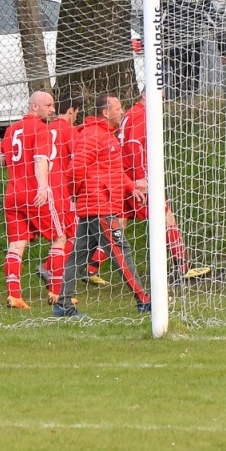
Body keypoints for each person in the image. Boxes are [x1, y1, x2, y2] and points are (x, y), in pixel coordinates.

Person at [56, 93, 150, 318]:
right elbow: (75, 170)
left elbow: (114, 169)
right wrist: (80, 194)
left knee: (77, 257)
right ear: (105, 112)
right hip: (99, 206)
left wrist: (130, 188)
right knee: (121, 251)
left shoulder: (108, 135)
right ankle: (144, 300)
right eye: (118, 108)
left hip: (98, 205)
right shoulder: (93, 135)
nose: (122, 111)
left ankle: (63, 305)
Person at [119, 94, 210, 282]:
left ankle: (88, 268)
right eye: (160, 94)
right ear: (147, 93)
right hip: (138, 179)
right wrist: (141, 177)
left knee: (119, 222)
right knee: (167, 217)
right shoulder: (141, 114)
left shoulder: (130, 113)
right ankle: (182, 266)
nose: (163, 99)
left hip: (125, 177)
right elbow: (134, 146)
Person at [0, 90, 64, 311]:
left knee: (16, 246)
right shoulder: (41, 129)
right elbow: (40, 160)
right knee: (60, 237)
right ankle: (57, 292)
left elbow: (0, 159)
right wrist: (44, 186)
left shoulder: (11, 129)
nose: (53, 110)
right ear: (34, 106)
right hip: (34, 193)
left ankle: (14, 295)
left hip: (12, 194)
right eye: (48, 105)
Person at [37, 89, 82, 305]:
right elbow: (78, 162)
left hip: (43, 188)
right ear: (71, 111)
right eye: (76, 114)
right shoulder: (69, 130)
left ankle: (52, 271)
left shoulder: (46, 128)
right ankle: (57, 285)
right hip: (62, 190)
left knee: (67, 235)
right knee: (68, 237)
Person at [163, 0, 226, 99]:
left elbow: (156, 19)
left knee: (172, 82)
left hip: (171, 44)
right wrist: (224, 50)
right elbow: (214, 21)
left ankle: (173, 111)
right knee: (192, 84)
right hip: (194, 43)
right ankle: (191, 110)